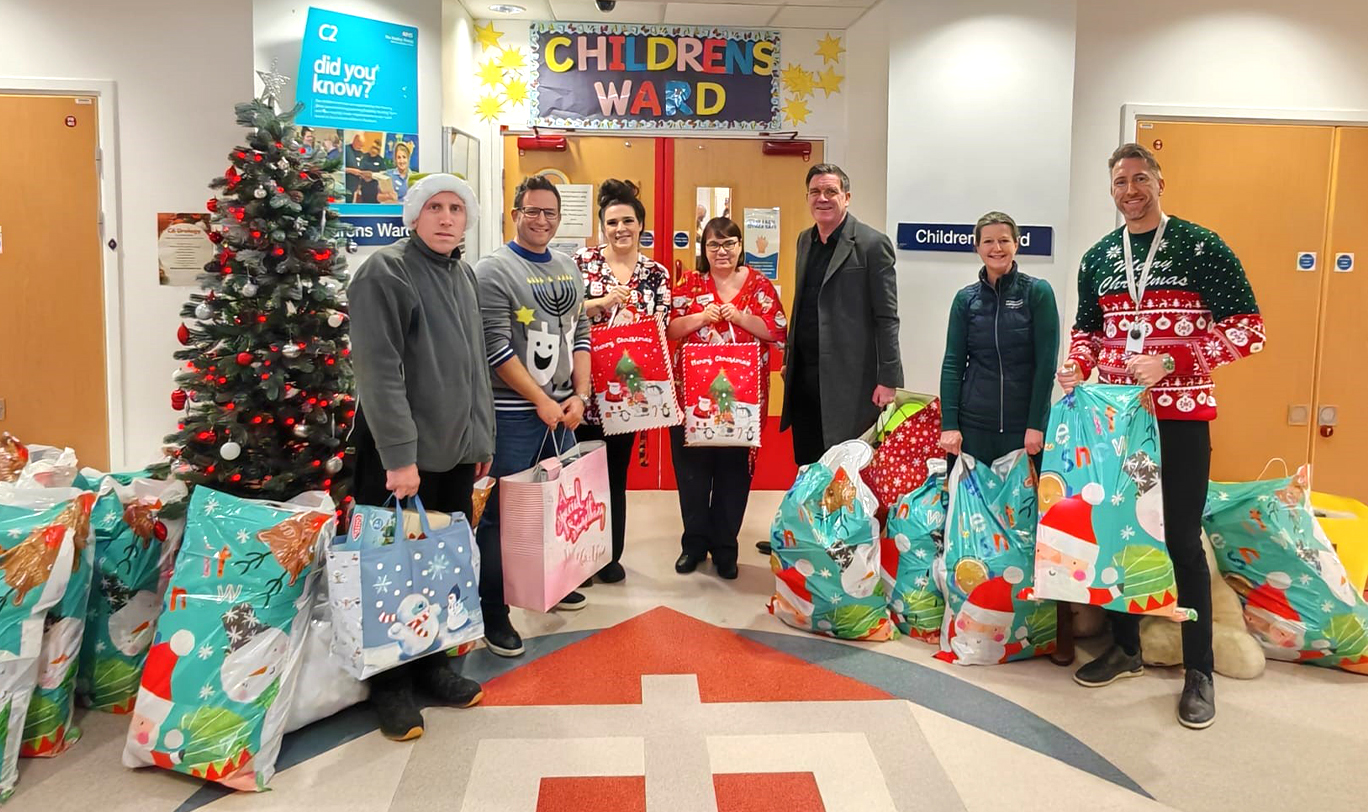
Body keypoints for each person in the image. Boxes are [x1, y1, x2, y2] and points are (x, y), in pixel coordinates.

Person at [1059, 142, 1265, 730]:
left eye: (1140, 178)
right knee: (1119, 533)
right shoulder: (1100, 256)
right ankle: (1126, 647)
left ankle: (1198, 669)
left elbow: (1249, 331)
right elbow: (1087, 331)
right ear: (1112, 190)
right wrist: (1077, 362)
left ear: (1159, 181)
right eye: (1121, 181)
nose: (1131, 189)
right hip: (1118, 421)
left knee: (1180, 538)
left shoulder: (1203, 246)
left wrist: (1174, 361)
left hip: (1181, 416)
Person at [347, 173, 494, 742]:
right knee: (391, 571)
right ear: (414, 215)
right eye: (434, 207)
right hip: (401, 462)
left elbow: (472, 366)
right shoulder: (386, 271)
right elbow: (379, 374)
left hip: (454, 456)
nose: (446, 218)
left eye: (457, 208)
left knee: (441, 568)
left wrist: (480, 441)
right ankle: (390, 684)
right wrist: (400, 457)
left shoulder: (460, 274)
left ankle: (432, 664)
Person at [475, 174, 593, 658]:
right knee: (503, 519)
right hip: (513, 415)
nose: (541, 220)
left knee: (556, 506)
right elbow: (495, 346)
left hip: (562, 412)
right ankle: (494, 611)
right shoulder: (493, 270)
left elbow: (580, 331)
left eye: (549, 212)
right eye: (532, 211)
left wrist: (580, 395)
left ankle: (555, 582)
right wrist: (538, 400)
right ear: (516, 213)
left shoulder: (568, 267)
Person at [764, 163, 902, 555]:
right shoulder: (805, 241)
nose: (822, 199)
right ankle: (804, 532)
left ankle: (840, 545)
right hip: (806, 374)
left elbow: (887, 315)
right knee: (808, 457)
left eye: (830, 191)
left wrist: (888, 376)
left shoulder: (872, 244)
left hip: (849, 376)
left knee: (842, 461)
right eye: (815, 192)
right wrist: (790, 357)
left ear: (846, 196)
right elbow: (802, 304)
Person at [667, 217, 787, 579]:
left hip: (743, 404)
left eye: (729, 243)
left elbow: (777, 330)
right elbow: (670, 328)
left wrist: (740, 316)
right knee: (692, 474)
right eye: (714, 245)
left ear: (740, 246)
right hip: (693, 402)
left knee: (734, 475)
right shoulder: (690, 283)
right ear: (704, 250)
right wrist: (702, 317)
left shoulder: (759, 284)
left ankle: (725, 548)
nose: (722, 251)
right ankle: (693, 544)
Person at [572, 179, 671, 584]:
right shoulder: (581, 263)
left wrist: (640, 325)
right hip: (581, 389)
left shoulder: (656, 272)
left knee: (615, 475)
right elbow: (565, 312)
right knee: (579, 477)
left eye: (628, 220)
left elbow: (662, 326)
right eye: (612, 221)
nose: (620, 229)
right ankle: (576, 558)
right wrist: (602, 303)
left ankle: (610, 555)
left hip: (626, 396)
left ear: (641, 225)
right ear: (602, 225)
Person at [939, 211, 1059, 471]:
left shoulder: (1037, 293)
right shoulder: (965, 299)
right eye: (988, 242)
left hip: (1023, 430)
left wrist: (1036, 425)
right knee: (968, 512)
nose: (997, 248)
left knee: (1021, 510)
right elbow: (952, 364)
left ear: (1016, 243)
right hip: (972, 428)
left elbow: (1046, 366)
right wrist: (949, 425)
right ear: (978, 248)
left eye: (1004, 240)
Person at [347, 134, 385, 203]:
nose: (374, 150)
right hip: (364, 187)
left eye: (377, 148)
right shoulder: (364, 157)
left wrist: (373, 175)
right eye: (373, 147)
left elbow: (383, 173)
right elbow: (360, 169)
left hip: (375, 188)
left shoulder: (380, 160)